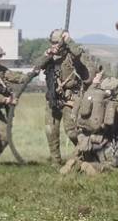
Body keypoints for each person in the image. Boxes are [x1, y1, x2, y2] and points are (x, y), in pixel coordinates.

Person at [31, 29, 99, 166]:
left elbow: (80, 54)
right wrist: (46, 55)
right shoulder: (49, 56)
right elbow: (36, 67)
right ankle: (56, 162)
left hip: (70, 100)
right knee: (51, 131)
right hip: (53, 99)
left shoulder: (71, 56)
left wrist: (69, 41)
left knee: (72, 131)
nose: (54, 45)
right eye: (52, 43)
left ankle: (87, 157)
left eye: (56, 42)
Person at [61, 73, 118, 175]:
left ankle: (72, 164)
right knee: (113, 168)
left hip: (83, 140)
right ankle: (89, 167)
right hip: (103, 142)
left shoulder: (89, 98)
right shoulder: (116, 105)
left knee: (82, 157)